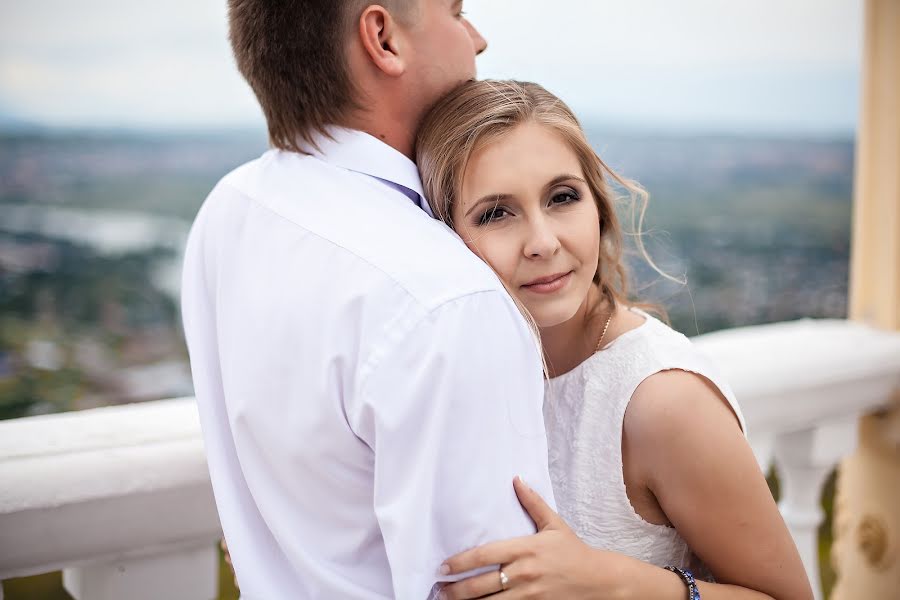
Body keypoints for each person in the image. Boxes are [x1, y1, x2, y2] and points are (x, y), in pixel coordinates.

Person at [181, 3, 558, 599]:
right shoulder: (446, 298)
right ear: (383, 38)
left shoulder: (231, 210)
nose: (479, 40)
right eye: (457, 12)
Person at [414, 80, 814, 599]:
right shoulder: (457, 375)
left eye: (562, 198)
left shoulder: (663, 401)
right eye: (496, 213)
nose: (543, 241)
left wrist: (609, 582)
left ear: (598, 207)